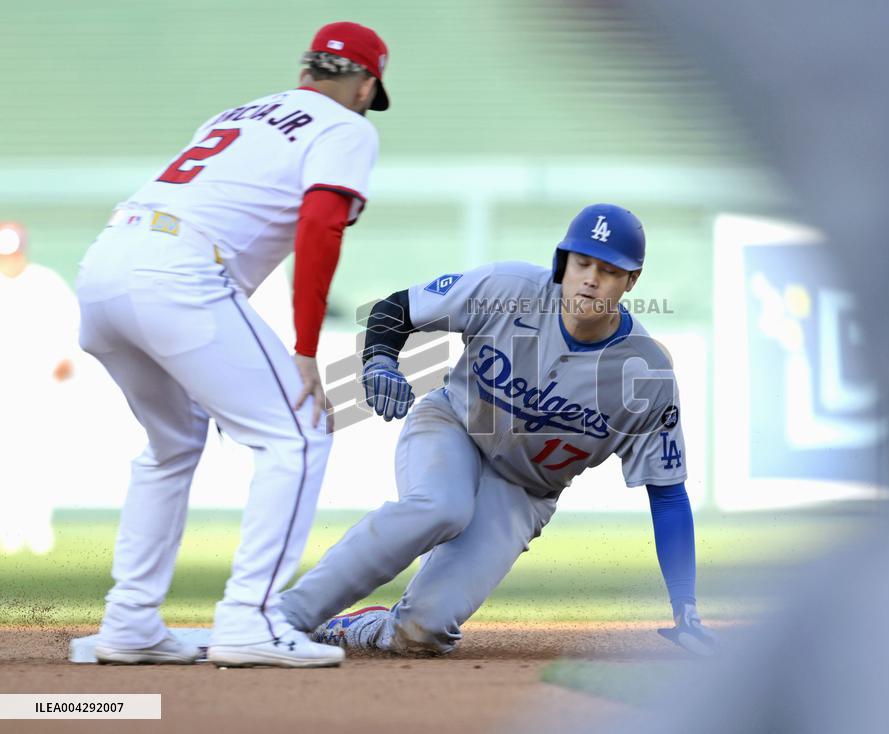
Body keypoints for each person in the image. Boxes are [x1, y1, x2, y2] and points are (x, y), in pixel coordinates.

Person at [74, 21, 391, 667]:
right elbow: (322, 224)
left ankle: (129, 622)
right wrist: (306, 345)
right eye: (369, 90)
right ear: (364, 83)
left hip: (107, 261)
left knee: (171, 444)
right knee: (300, 430)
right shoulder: (347, 126)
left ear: (308, 72)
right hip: (178, 273)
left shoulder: (242, 113)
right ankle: (251, 619)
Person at [279, 204, 717, 657]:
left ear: (632, 281)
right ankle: (283, 616)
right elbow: (399, 308)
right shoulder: (507, 288)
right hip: (455, 425)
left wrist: (685, 609)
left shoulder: (644, 374)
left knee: (423, 633)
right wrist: (380, 360)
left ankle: (361, 628)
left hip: (523, 490)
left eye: (608, 271)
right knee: (439, 506)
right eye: (582, 262)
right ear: (562, 261)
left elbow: (667, 494)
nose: (590, 278)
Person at [0, 221, 78, 555]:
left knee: (38, 456)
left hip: (39, 384)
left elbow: (71, 325)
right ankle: (8, 529)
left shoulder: (45, 282)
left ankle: (37, 526)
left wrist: (66, 358)